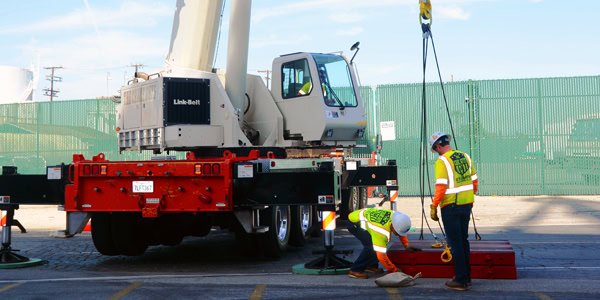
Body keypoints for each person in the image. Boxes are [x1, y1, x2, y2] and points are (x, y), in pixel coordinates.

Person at [428, 131, 479, 291]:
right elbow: (474, 181)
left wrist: (434, 205)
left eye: (435, 149)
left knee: (455, 243)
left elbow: (441, 186)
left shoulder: (442, 161)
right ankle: (467, 276)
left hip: (451, 206)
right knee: (463, 240)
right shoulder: (465, 156)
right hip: (466, 204)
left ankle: (461, 280)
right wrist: (469, 196)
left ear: (437, 146)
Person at [347, 208, 421, 279]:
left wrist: (406, 245)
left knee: (374, 245)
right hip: (355, 223)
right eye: (397, 233)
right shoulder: (381, 231)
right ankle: (355, 270)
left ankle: (371, 265)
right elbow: (381, 256)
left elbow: (401, 231)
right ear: (393, 227)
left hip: (364, 218)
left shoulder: (396, 217)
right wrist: (394, 270)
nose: (398, 235)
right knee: (370, 247)